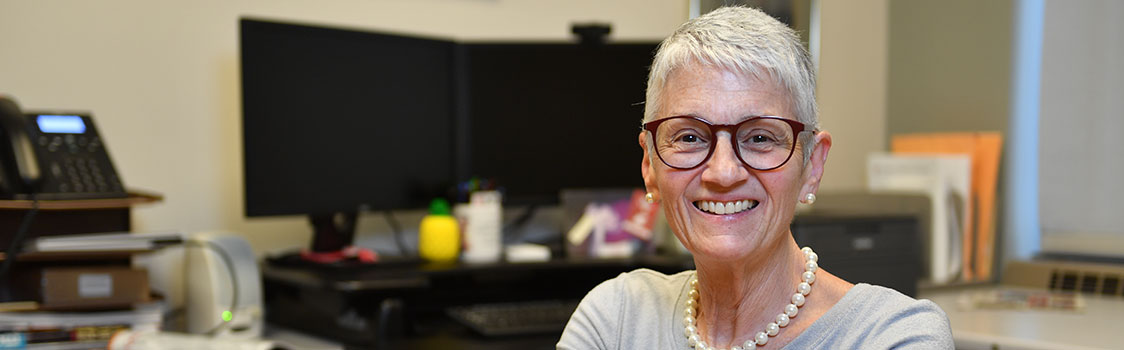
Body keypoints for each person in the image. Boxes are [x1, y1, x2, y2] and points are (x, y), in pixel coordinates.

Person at [557, 6, 953, 350]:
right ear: (649, 165)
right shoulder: (617, 318)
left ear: (812, 165)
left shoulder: (893, 336)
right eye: (690, 137)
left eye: (760, 137)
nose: (724, 172)